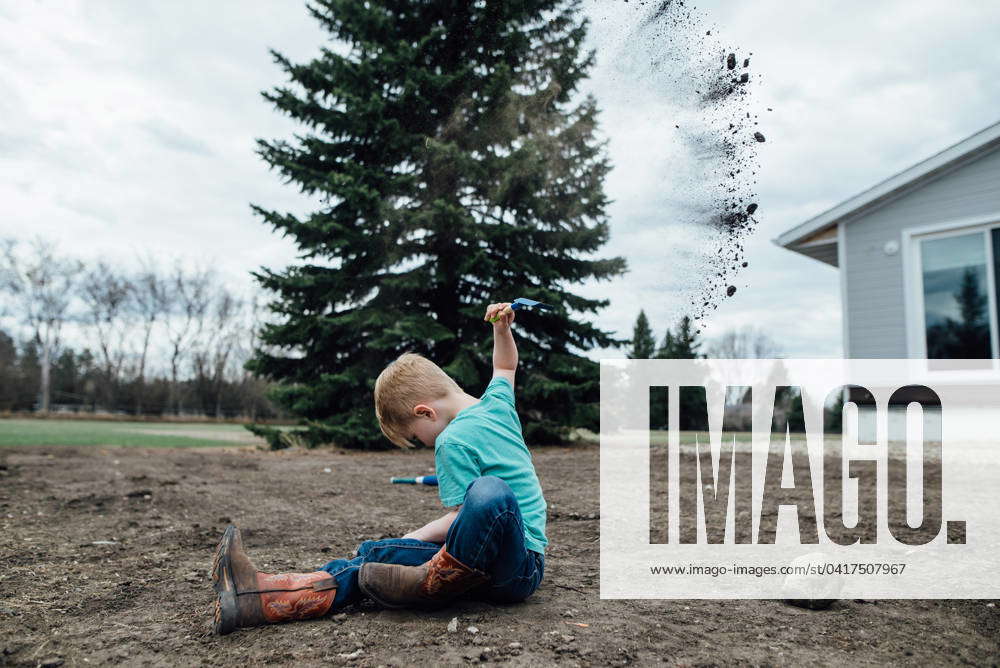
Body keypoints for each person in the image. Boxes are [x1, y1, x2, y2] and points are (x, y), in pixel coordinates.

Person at [211, 302, 547, 634]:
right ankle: (260, 597)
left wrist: (413, 537)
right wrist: (501, 330)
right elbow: (505, 367)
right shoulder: (498, 405)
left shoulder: (452, 441)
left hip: (516, 570)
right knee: (376, 558)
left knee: (490, 492)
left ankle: (433, 584)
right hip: (484, 564)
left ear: (425, 412)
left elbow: (462, 517)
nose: (426, 444)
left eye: (416, 437)